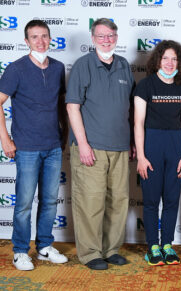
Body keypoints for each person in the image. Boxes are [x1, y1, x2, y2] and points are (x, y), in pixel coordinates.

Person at [66, 18, 135, 270]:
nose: (107, 40)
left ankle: (111, 249)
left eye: (111, 35)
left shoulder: (124, 65)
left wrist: (132, 141)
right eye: (101, 36)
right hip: (91, 147)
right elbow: (72, 107)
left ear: (116, 37)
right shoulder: (83, 65)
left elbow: (128, 108)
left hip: (120, 147)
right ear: (93, 38)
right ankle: (91, 253)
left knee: (118, 201)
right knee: (90, 201)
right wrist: (83, 144)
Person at [0, 20, 68, 271]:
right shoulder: (16, 69)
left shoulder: (59, 67)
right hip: (26, 147)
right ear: (26, 41)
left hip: (53, 146)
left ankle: (44, 246)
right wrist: (5, 140)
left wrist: (64, 135)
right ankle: (19, 251)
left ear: (50, 39)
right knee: (25, 203)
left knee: (50, 201)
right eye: (34, 37)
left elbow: (61, 105)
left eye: (44, 36)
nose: (40, 41)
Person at [134, 40, 181, 266]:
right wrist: (141, 155)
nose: (170, 63)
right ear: (158, 60)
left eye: (174, 59)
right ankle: (153, 247)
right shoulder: (145, 85)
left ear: (180, 62)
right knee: (150, 201)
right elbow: (138, 122)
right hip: (152, 145)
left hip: (176, 146)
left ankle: (167, 244)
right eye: (165, 58)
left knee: (171, 200)